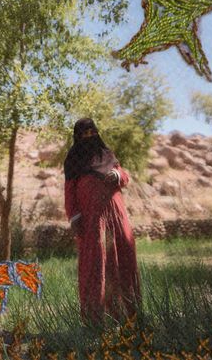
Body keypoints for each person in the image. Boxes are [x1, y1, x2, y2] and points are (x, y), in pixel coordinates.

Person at [63, 117, 141, 326]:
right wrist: (74, 216)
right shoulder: (73, 159)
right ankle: (96, 320)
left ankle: (128, 316)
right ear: (77, 137)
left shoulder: (108, 154)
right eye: (84, 134)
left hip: (116, 215)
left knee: (123, 255)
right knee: (96, 262)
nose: (89, 137)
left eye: (92, 133)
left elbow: (124, 177)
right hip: (92, 220)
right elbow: (70, 191)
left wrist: (117, 174)